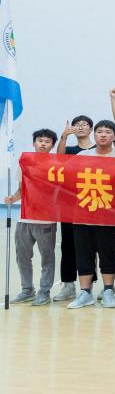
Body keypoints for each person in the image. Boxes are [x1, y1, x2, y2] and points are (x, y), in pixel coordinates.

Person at [67, 120, 115, 309]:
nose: (103, 135)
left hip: (109, 216)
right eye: (99, 131)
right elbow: (68, 178)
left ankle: (108, 290)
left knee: (108, 254)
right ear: (94, 135)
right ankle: (85, 293)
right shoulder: (83, 156)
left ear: (114, 136)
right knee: (84, 254)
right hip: (83, 213)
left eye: (107, 132)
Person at [5, 129, 59, 306]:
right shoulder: (25, 163)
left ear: (52, 145)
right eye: (40, 140)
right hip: (25, 217)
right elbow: (22, 190)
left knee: (47, 257)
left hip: (45, 219)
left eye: (47, 142)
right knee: (22, 255)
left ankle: (44, 291)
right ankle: (27, 289)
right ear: (34, 143)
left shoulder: (56, 164)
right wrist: (12, 198)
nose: (43, 144)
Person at [54, 115, 94, 302]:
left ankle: (89, 286)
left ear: (91, 129)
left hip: (92, 203)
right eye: (77, 125)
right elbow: (59, 159)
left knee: (91, 246)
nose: (81, 127)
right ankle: (68, 285)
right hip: (70, 204)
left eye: (85, 124)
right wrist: (64, 136)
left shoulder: (98, 149)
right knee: (68, 245)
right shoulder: (69, 150)